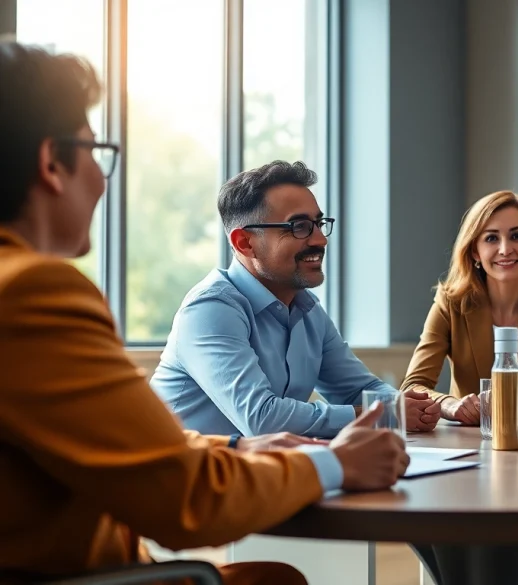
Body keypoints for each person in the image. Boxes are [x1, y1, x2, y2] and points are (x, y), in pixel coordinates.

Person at [0, 42, 409, 585]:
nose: (102, 180)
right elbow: (185, 503)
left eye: (318, 223)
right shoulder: (33, 293)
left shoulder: (308, 307)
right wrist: (334, 463)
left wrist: (236, 446)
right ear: (52, 162)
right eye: (98, 151)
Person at [150, 161, 441, 437]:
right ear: (244, 242)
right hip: (182, 482)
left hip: (259, 474)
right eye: (299, 227)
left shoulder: (307, 309)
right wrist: (384, 413)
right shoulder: (210, 309)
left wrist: (413, 406)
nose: (320, 240)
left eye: (318, 224)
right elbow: (263, 419)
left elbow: (358, 389)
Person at [402, 190, 518, 423]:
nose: (505, 249)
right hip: (464, 442)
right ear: (475, 250)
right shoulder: (450, 304)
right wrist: (450, 405)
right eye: (491, 238)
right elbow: (413, 386)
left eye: (517, 236)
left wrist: (517, 407)